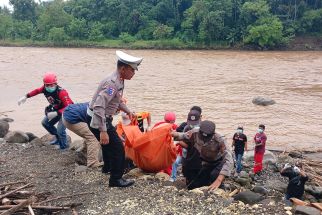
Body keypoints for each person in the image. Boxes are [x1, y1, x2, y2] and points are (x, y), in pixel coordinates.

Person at [86, 50, 142, 188]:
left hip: (99, 117)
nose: (134, 73)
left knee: (107, 145)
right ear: (123, 69)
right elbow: (99, 107)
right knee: (118, 148)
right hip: (99, 119)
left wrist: (128, 111)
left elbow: (116, 101)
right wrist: (103, 131)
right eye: (132, 70)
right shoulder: (112, 84)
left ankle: (107, 168)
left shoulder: (119, 80)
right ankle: (115, 179)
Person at [172, 120, 233, 190]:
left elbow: (229, 160)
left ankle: (222, 190)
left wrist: (219, 180)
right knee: (197, 184)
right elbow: (183, 136)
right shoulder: (194, 132)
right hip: (205, 162)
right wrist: (173, 134)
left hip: (218, 162)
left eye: (207, 138)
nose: (204, 140)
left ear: (213, 134)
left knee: (214, 176)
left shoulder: (220, 140)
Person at [18, 72, 73, 150]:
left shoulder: (61, 92)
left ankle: (64, 147)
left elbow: (69, 107)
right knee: (45, 123)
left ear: (55, 84)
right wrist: (26, 96)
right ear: (44, 84)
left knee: (60, 129)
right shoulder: (44, 88)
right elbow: (36, 91)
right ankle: (58, 139)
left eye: (51, 85)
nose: (49, 87)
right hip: (55, 109)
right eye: (47, 85)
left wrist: (57, 113)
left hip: (66, 112)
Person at [62, 102, 102, 168]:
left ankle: (84, 152)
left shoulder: (100, 102)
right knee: (92, 137)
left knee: (89, 132)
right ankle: (92, 163)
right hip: (71, 119)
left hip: (67, 113)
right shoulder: (101, 110)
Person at [170, 109, 201, 182]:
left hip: (196, 156)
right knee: (180, 166)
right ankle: (173, 178)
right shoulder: (186, 127)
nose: (193, 126)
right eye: (191, 123)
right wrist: (176, 138)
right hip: (185, 154)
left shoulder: (202, 129)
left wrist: (178, 141)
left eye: (195, 123)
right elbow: (184, 137)